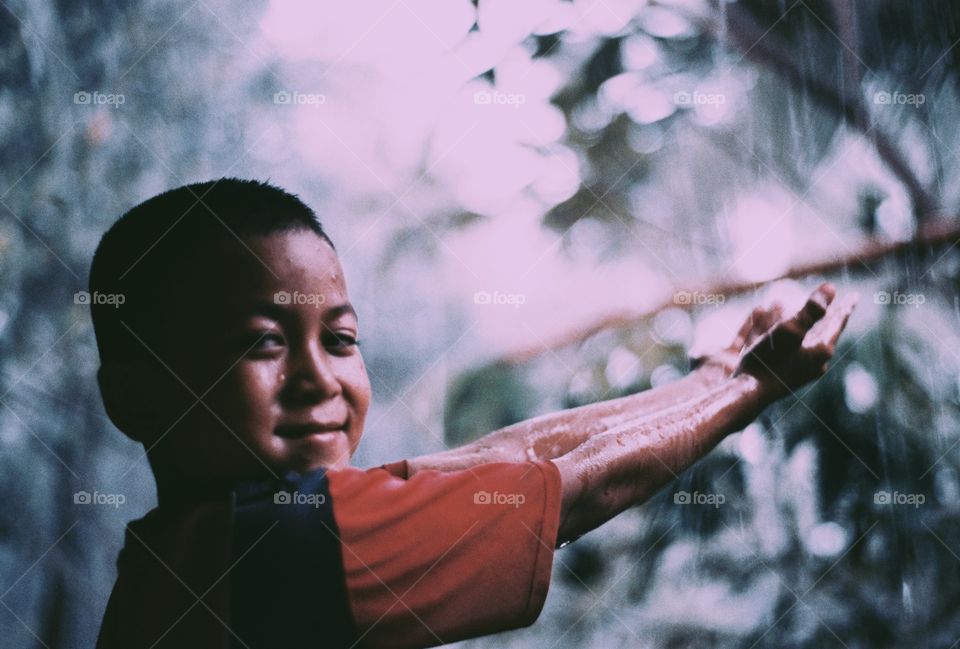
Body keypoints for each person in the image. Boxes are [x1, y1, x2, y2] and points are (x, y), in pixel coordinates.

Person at [90, 178, 856, 649]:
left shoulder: (183, 558)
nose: (316, 377)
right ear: (134, 397)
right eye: (263, 343)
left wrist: (717, 376)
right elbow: (573, 486)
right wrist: (750, 391)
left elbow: (507, 456)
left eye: (341, 338)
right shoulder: (269, 548)